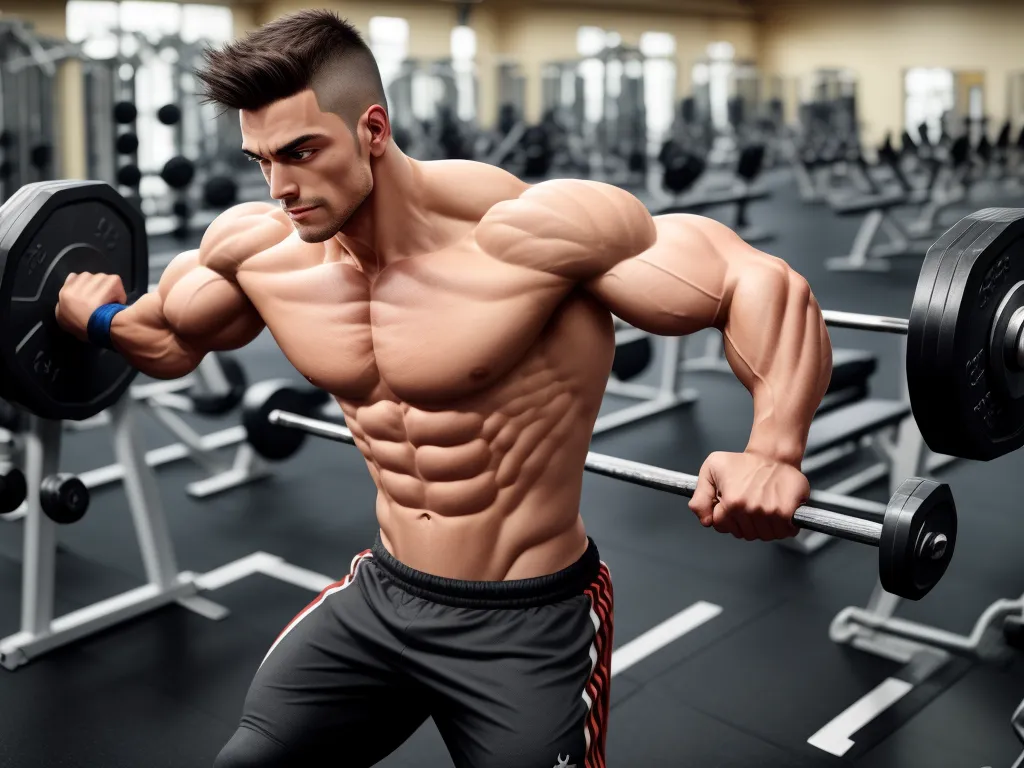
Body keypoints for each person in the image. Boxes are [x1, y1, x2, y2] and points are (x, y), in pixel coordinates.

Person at [55, 10, 832, 768]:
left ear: (373, 129)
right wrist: (95, 318)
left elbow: (755, 281)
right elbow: (167, 336)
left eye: (300, 151)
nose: (281, 186)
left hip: (530, 620)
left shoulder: (526, 234)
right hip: (385, 593)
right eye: (262, 160)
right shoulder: (261, 251)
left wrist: (773, 447)